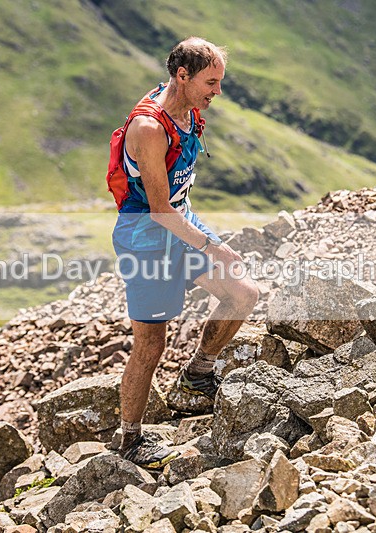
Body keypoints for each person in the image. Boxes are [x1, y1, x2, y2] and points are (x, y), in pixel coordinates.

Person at [111, 37, 258, 468]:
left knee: (243, 293)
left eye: (219, 82)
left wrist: (206, 242)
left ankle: (197, 376)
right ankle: (131, 440)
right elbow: (159, 212)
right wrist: (214, 246)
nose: (217, 92)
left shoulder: (190, 110)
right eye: (211, 82)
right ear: (182, 76)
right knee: (151, 343)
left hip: (181, 223)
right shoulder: (150, 129)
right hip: (147, 237)